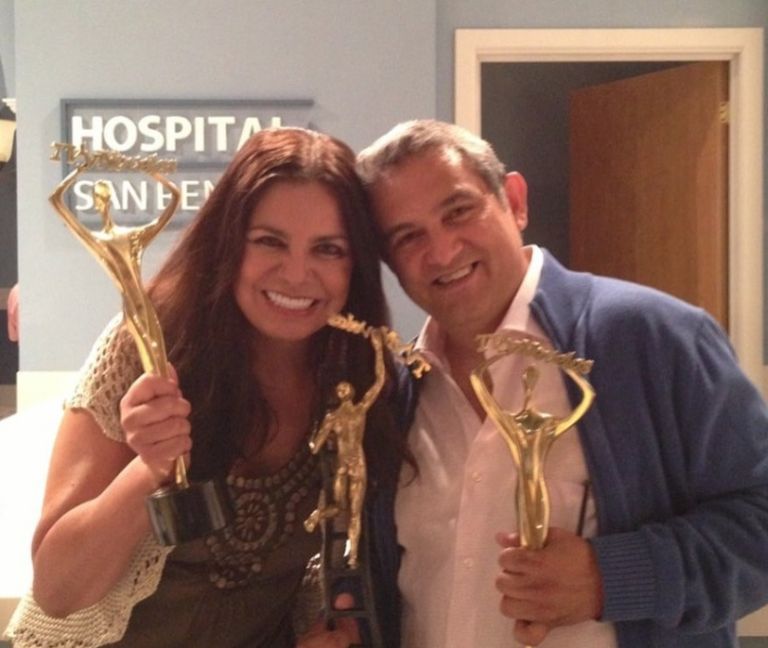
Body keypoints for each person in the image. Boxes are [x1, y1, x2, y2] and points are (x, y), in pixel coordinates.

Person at [356, 119, 768, 648]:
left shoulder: (654, 337)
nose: (441, 252)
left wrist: (610, 577)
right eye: (407, 236)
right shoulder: (392, 394)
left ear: (514, 201)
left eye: (458, 211)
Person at [6, 127, 407, 648]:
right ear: (227, 243)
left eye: (328, 249)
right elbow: (58, 589)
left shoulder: (360, 384)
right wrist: (149, 467)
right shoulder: (148, 348)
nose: (296, 274)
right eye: (269, 241)